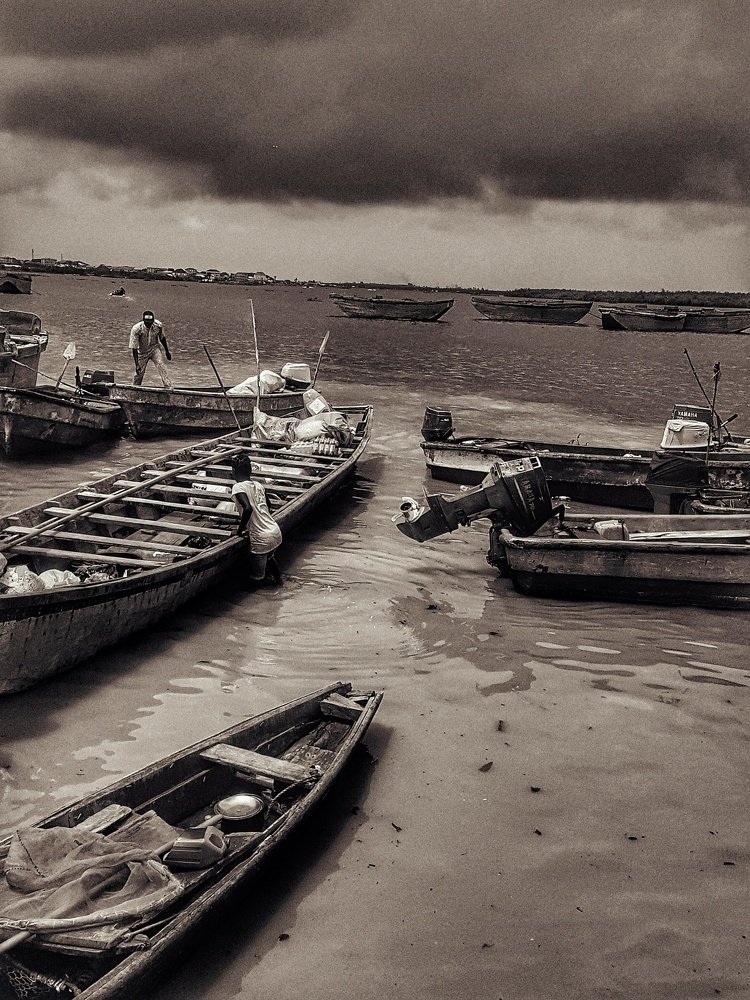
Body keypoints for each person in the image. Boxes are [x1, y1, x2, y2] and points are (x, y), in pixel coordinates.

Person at [231, 456, 283, 584]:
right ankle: (279, 583)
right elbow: (268, 505)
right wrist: (261, 521)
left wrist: (240, 530)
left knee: (256, 580)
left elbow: (247, 508)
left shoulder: (237, 487)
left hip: (261, 538)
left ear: (233, 471)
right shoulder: (259, 485)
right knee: (270, 557)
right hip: (275, 531)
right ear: (250, 471)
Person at [129, 310, 173, 387]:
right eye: (147, 322)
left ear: (153, 320)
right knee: (139, 372)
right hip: (142, 352)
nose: (149, 324)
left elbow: (162, 338)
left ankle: (168, 386)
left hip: (154, 349)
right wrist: (136, 364)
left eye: (150, 322)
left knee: (160, 365)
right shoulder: (136, 329)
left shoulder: (158, 325)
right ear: (143, 321)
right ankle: (135, 387)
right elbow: (134, 347)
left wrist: (167, 351)